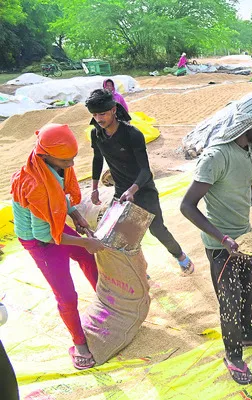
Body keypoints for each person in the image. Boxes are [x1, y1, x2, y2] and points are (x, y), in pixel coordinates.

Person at [180, 91, 252, 385]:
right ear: (251, 124)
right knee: (230, 301)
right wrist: (223, 238)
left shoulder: (248, 152)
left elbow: (247, 189)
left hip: (245, 241)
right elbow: (187, 206)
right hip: (222, 247)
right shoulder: (216, 156)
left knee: (249, 290)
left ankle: (248, 332)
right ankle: (233, 355)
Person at [10, 123, 106, 370]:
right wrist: (85, 240)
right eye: (66, 161)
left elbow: (61, 195)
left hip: (53, 227)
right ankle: (80, 343)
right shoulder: (35, 184)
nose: (71, 165)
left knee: (86, 255)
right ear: (46, 155)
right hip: (39, 241)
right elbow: (45, 235)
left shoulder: (52, 167)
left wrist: (75, 214)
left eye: (73, 158)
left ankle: (106, 301)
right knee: (66, 294)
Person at [85, 89, 195, 275]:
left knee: (157, 230)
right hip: (121, 193)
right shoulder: (97, 134)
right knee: (124, 236)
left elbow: (145, 170)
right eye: (95, 115)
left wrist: (132, 190)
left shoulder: (132, 134)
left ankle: (181, 256)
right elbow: (97, 159)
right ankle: (140, 270)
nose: (99, 119)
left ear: (113, 110)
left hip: (144, 191)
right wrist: (95, 188)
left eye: (102, 114)